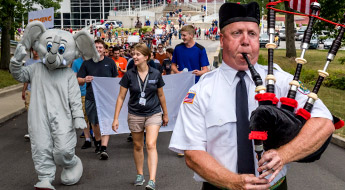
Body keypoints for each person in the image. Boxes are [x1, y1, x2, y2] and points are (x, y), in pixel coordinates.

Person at [169, 2, 334, 190]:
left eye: (252, 34)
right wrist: (233, 181)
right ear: (222, 40)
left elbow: (324, 122)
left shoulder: (282, 82)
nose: (246, 41)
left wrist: (284, 154)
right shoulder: (201, 91)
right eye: (237, 33)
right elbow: (192, 153)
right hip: (220, 186)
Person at [112, 43, 168, 190]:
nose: (134, 57)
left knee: (150, 144)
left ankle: (152, 180)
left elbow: (161, 95)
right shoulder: (129, 74)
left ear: (146, 57)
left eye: (137, 54)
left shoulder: (155, 74)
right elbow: (121, 97)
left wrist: (165, 114)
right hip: (135, 113)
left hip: (153, 113)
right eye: (133, 54)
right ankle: (139, 174)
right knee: (138, 145)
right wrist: (116, 118)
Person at [77, 39, 118, 160]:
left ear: (105, 49)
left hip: (106, 98)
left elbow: (115, 80)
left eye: (100, 47)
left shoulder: (110, 63)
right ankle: (98, 140)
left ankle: (104, 148)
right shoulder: (87, 63)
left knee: (106, 121)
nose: (98, 49)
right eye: (96, 47)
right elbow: (78, 80)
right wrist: (85, 80)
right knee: (95, 123)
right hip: (91, 97)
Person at [72, 56, 92, 149]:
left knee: (95, 118)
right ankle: (88, 139)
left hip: (95, 92)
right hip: (82, 93)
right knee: (85, 117)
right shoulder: (76, 62)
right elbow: (73, 79)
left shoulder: (95, 60)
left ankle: (97, 138)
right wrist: (83, 80)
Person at [22, 48, 41, 140]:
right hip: (30, 90)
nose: (35, 52)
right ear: (31, 51)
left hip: (41, 91)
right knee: (30, 111)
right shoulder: (28, 63)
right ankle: (31, 132)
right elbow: (26, 79)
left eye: (37, 50)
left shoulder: (43, 62)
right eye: (34, 50)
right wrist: (23, 90)